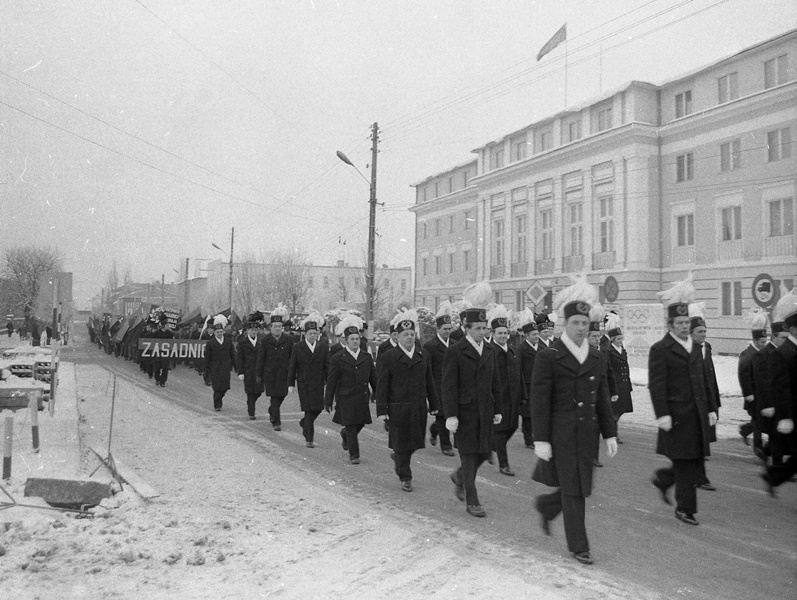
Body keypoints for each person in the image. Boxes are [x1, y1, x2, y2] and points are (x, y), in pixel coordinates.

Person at [531, 277, 618, 565]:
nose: (581, 329)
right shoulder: (549, 356)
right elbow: (540, 400)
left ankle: (547, 506)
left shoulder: (595, 355)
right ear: (565, 324)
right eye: (575, 323)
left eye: (584, 323)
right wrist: (540, 438)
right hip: (561, 434)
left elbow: (602, 398)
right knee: (575, 490)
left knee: (580, 486)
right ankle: (579, 545)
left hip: (588, 433)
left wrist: (610, 433)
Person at [649, 273, 717, 526]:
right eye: (679, 322)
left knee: (690, 460)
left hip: (698, 414)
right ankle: (685, 509)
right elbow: (657, 385)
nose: (685, 326)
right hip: (677, 417)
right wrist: (662, 414)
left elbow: (704, 380)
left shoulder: (697, 348)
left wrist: (711, 407)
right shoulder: (660, 349)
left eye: (687, 321)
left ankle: (664, 480)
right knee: (688, 463)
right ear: (670, 325)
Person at [442, 281, 502, 518]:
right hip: (465, 413)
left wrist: (497, 407)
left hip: (485, 411)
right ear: (466, 329)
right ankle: (472, 500)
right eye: (477, 328)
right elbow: (448, 386)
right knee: (468, 456)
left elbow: (494, 382)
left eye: (483, 327)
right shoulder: (455, 351)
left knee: (483, 452)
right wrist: (451, 415)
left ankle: (459, 477)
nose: (482, 331)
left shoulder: (489, 350)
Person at [376, 311, 439, 491]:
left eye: (412, 334)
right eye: (406, 335)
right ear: (397, 337)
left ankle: (399, 457)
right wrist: (382, 411)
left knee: (414, 443)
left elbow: (430, 382)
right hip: (398, 408)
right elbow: (382, 386)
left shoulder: (423, 355)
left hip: (418, 407)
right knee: (402, 442)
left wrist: (434, 404)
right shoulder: (388, 357)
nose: (410, 337)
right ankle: (405, 476)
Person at [324, 314, 377, 464]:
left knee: (360, 422)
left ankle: (345, 434)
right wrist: (328, 400)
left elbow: (374, 378)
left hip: (361, 396)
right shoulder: (338, 358)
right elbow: (332, 381)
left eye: (357, 339)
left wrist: (377, 393)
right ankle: (354, 455)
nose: (355, 341)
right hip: (345, 397)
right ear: (346, 341)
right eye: (352, 339)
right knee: (352, 425)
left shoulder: (366, 358)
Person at [762, 289, 797, 494]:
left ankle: (773, 476)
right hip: (793, 413)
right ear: (792, 329)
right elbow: (779, 388)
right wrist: (784, 417)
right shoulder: (782, 353)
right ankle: (773, 476)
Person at [489, 304, 526, 476]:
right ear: (493, 334)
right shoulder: (489, 353)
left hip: (513, 399)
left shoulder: (513, 351)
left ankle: (490, 446)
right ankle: (504, 464)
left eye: (505, 333)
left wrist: (523, 395)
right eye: (500, 333)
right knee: (501, 431)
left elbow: (520, 375)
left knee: (511, 427)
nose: (503, 336)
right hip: (498, 399)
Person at [287, 312, 330, 447]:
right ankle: (309, 439)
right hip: (304, 383)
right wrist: (290, 383)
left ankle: (304, 423)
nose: (313, 335)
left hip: (318, 382)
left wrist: (329, 381)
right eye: (310, 333)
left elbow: (327, 365)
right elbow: (292, 366)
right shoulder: (298, 347)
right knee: (308, 409)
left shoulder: (322, 347)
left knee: (317, 408)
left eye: (315, 333)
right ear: (305, 334)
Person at [689, 304, 719, 491]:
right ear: (691, 332)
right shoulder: (687, 351)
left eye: (705, 331)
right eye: (700, 331)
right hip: (692, 404)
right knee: (695, 444)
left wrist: (714, 403)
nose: (703, 334)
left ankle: (698, 477)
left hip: (706, 399)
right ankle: (699, 477)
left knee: (700, 443)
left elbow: (710, 374)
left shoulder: (706, 347)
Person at [424, 301, 455, 456]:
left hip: (454, 387)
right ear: (438, 329)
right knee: (442, 417)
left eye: (450, 329)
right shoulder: (430, 346)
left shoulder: (455, 345)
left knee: (450, 415)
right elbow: (426, 370)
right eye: (445, 329)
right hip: (438, 388)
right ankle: (446, 446)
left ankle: (434, 429)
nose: (448, 332)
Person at [257, 304, 294, 431]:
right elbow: (261, 358)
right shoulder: (265, 340)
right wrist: (259, 374)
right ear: (271, 327)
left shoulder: (288, 340)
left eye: (280, 326)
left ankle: (272, 410)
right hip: (270, 374)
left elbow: (292, 358)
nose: (278, 328)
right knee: (274, 397)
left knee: (281, 396)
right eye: (275, 326)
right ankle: (276, 422)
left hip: (284, 374)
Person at [738, 309, 770, 458]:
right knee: (758, 422)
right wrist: (748, 394)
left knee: (759, 420)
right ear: (756, 341)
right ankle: (759, 450)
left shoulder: (764, 353)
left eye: (765, 342)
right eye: (762, 342)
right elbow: (743, 375)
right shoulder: (747, 354)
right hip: (753, 395)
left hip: (763, 394)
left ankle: (745, 429)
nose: (764, 344)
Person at [758, 320, 788, 467]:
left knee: (779, 433)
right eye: (783, 337)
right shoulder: (763, 354)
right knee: (777, 435)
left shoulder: (787, 352)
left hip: (785, 399)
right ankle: (778, 465)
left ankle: (765, 451)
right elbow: (762, 383)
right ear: (774, 337)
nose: (786, 340)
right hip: (771, 401)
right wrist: (767, 405)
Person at [605, 314, 633, 444]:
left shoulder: (623, 351)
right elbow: (607, 370)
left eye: (622, 338)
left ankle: (611, 431)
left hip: (624, 385)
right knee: (614, 411)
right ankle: (613, 434)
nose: (621, 341)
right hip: (614, 385)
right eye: (618, 339)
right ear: (612, 339)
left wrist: (629, 385)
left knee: (621, 410)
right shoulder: (608, 352)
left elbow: (626, 368)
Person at [517, 308, 539, 449]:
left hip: (539, 385)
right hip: (527, 385)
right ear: (526, 336)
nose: (536, 336)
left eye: (537, 334)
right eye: (533, 334)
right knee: (527, 415)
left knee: (537, 412)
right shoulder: (521, 349)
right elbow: (518, 370)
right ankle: (528, 439)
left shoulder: (541, 348)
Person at [205, 318, 237, 411]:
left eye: (221, 331)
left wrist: (236, 367)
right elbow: (207, 356)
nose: (219, 333)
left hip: (226, 367)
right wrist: (205, 368)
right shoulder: (210, 343)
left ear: (223, 332)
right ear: (214, 332)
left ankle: (219, 398)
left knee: (225, 387)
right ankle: (217, 404)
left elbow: (233, 355)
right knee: (217, 387)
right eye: (218, 332)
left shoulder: (228, 341)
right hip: (215, 368)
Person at [237, 314, 264, 419]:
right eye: (252, 330)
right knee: (250, 391)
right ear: (248, 330)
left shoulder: (261, 342)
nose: (254, 332)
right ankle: (251, 412)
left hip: (259, 371)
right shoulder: (242, 343)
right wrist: (240, 372)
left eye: (255, 330)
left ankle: (251, 402)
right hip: (248, 371)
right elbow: (239, 358)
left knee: (259, 391)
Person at [152, 314, 174, 387]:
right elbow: (152, 342)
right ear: (164, 325)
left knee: (165, 368)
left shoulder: (170, 334)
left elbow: (172, 343)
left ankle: (163, 381)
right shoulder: (156, 333)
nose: (168, 326)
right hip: (158, 353)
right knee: (157, 367)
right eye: (167, 325)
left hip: (166, 353)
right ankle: (157, 378)